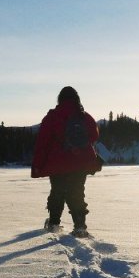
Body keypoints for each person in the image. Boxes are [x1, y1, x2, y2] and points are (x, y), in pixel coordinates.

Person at [31, 86, 101, 237]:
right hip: (80, 163)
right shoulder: (85, 117)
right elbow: (94, 136)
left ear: (60, 99)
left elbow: (42, 143)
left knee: (57, 191)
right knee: (77, 192)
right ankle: (80, 226)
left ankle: (54, 224)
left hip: (58, 163)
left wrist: (37, 165)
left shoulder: (52, 117)